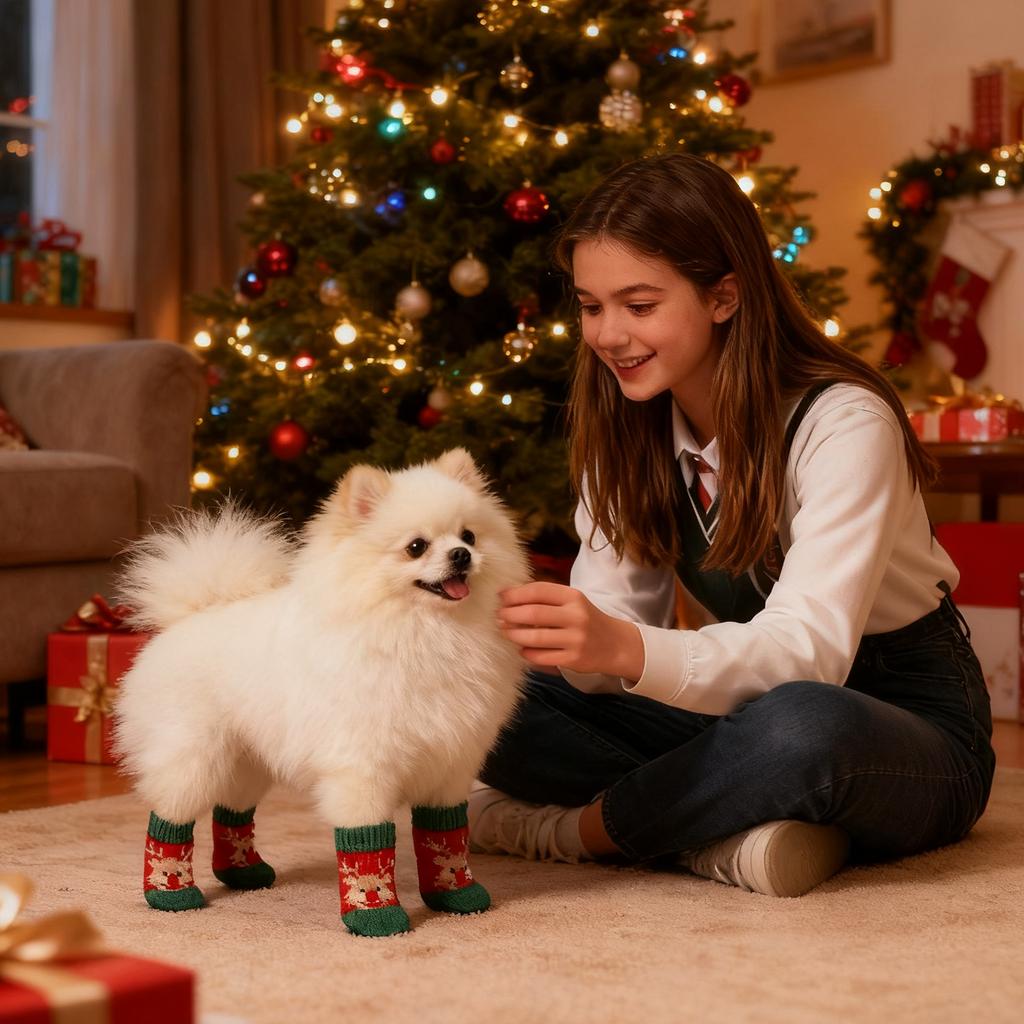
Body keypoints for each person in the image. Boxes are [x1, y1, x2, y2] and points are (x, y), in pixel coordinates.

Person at [468, 152, 995, 897]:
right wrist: (575, 640)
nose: (609, 335)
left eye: (640, 305)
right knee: (495, 693)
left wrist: (621, 646)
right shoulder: (627, 429)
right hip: (740, 711)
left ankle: (580, 832)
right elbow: (614, 632)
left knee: (803, 730)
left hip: (903, 724)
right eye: (591, 306)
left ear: (724, 296)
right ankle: (726, 832)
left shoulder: (845, 421)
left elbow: (809, 659)